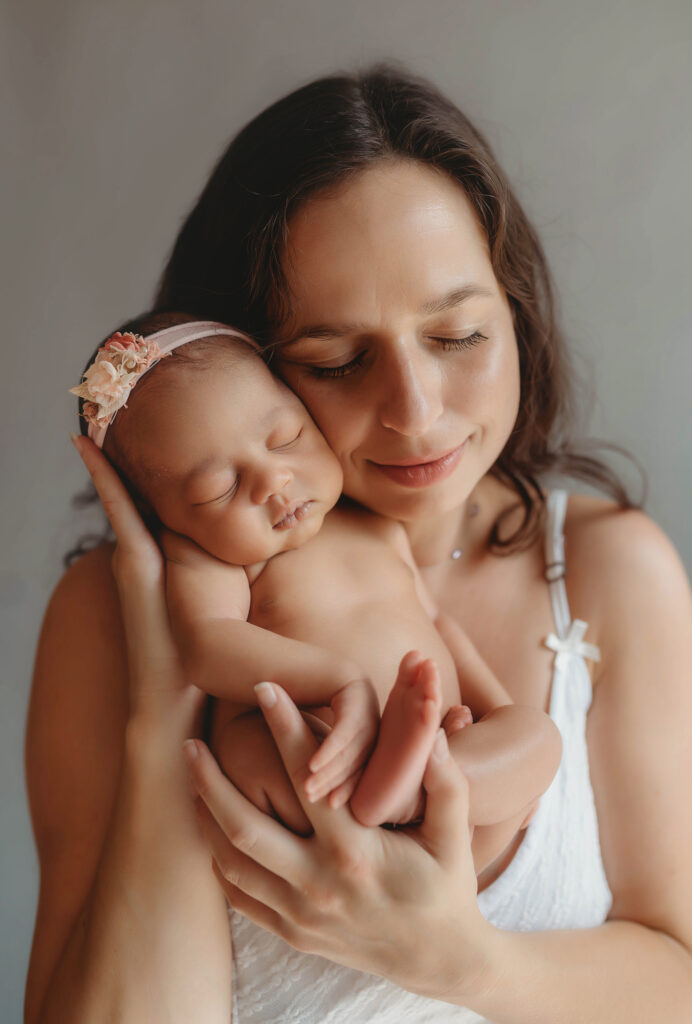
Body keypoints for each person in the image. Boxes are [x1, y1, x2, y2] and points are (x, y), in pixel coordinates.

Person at [25, 65, 692, 1024]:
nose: (417, 415)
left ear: (514, 313)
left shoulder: (606, 571)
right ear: (246, 369)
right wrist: (164, 691)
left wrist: (464, 963)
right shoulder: (110, 616)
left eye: (458, 335)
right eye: (337, 361)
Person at [69, 312, 560, 838]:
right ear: (165, 519)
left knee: (539, 736)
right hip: (319, 743)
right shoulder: (212, 557)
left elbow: (438, 623)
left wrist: (497, 712)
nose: (273, 480)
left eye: (286, 439)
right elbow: (207, 644)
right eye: (219, 489)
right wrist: (334, 680)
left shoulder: (373, 518)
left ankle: (413, 786)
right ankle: (387, 788)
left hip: (441, 735)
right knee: (245, 751)